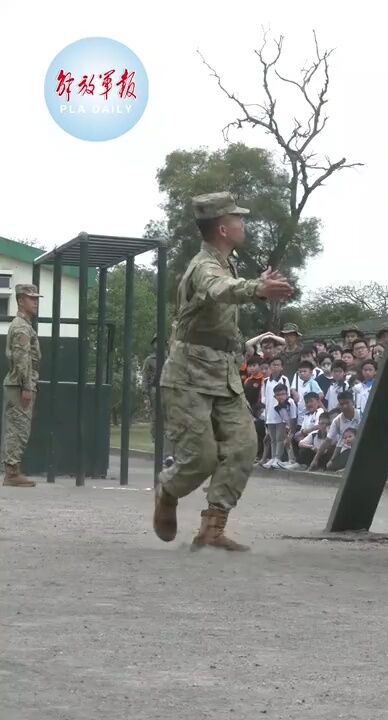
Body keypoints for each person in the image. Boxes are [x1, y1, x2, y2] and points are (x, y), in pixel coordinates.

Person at [151, 191, 293, 551]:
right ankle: (167, 491)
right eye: (237, 218)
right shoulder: (205, 267)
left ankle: (212, 528)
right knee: (200, 458)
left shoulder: (225, 262)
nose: (242, 223)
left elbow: (221, 309)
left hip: (223, 375)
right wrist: (257, 289)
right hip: (189, 378)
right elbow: (220, 290)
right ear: (222, 229)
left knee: (244, 446)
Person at [3, 283, 42, 487]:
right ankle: (11, 472)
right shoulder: (20, 327)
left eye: (36, 298)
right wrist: (26, 386)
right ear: (20, 300)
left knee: (19, 428)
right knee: (18, 428)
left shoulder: (24, 325)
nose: (35, 302)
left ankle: (13, 471)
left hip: (20, 384)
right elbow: (21, 358)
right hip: (20, 386)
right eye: (31, 298)